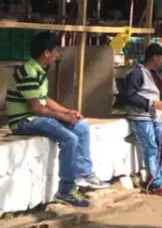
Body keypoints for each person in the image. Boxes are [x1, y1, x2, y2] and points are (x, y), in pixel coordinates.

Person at [6, 31, 108, 207]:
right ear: (47, 53)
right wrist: (63, 116)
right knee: (70, 138)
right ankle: (66, 190)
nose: (57, 55)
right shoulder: (27, 72)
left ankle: (84, 175)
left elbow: (45, 99)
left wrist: (68, 112)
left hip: (34, 118)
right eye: (56, 51)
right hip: (24, 121)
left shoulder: (38, 70)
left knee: (82, 128)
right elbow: (36, 108)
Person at [117, 42, 162, 196]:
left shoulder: (153, 74)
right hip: (140, 117)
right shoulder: (136, 73)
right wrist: (152, 103)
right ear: (155, 57)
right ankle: (157, 183)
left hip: (152, 117)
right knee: (150, 148)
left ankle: (160, 176)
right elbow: (129, 96)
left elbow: (158, 96)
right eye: (161, 58)